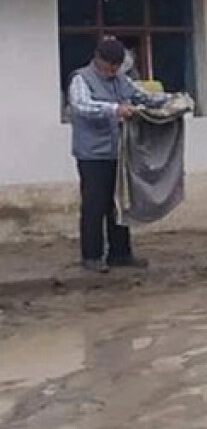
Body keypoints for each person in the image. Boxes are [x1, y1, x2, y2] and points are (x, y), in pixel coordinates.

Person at [67, 38, 165, 273]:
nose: (113, 70)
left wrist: (170, 100)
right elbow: (80, 106)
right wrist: (114, 109)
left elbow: (141, 95)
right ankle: (91, 256)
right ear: (98, 59)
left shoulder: (121, 79)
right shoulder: (81, 78)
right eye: (110, 66)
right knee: (94, 205)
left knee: (120, 203)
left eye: (117, 66)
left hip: (119, 152)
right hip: (92, 155)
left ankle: (120, 254)